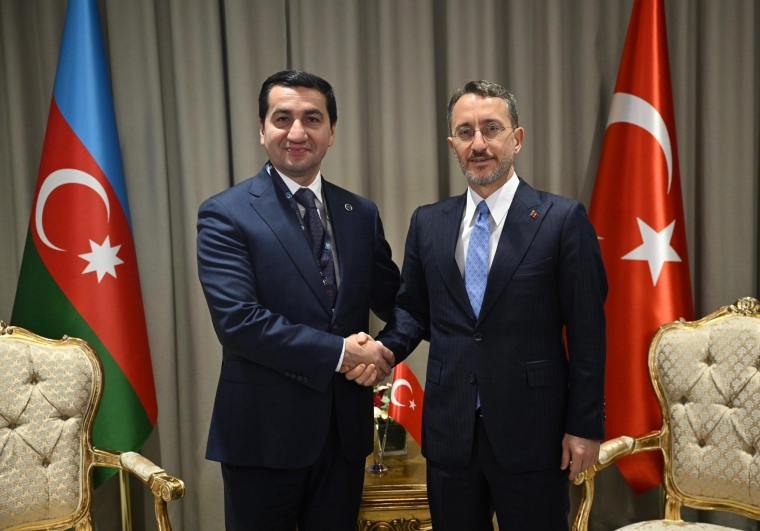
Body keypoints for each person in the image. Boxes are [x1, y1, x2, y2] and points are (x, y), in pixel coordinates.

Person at [376, 80, 608, 530]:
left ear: (516, 139)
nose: (478, 144)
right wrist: (384, 351)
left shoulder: (561, 220)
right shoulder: (428, 223)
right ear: (453, 145)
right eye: (465, 132)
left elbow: (588, 334)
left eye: (491, 129)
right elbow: (413, 312)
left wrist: (584, 425)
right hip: (450, 434)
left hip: (534, 434)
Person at [197, 70, 401, 531]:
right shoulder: (225, 213)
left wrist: (385, 352)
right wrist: (343, 353)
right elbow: (239, 322)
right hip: (262, 438)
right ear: (261, 129)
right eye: (282, 118)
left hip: (343, 438)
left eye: (312, 119)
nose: (297, 132)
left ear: (332, 131)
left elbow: (399, 302)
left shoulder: (360, 213)